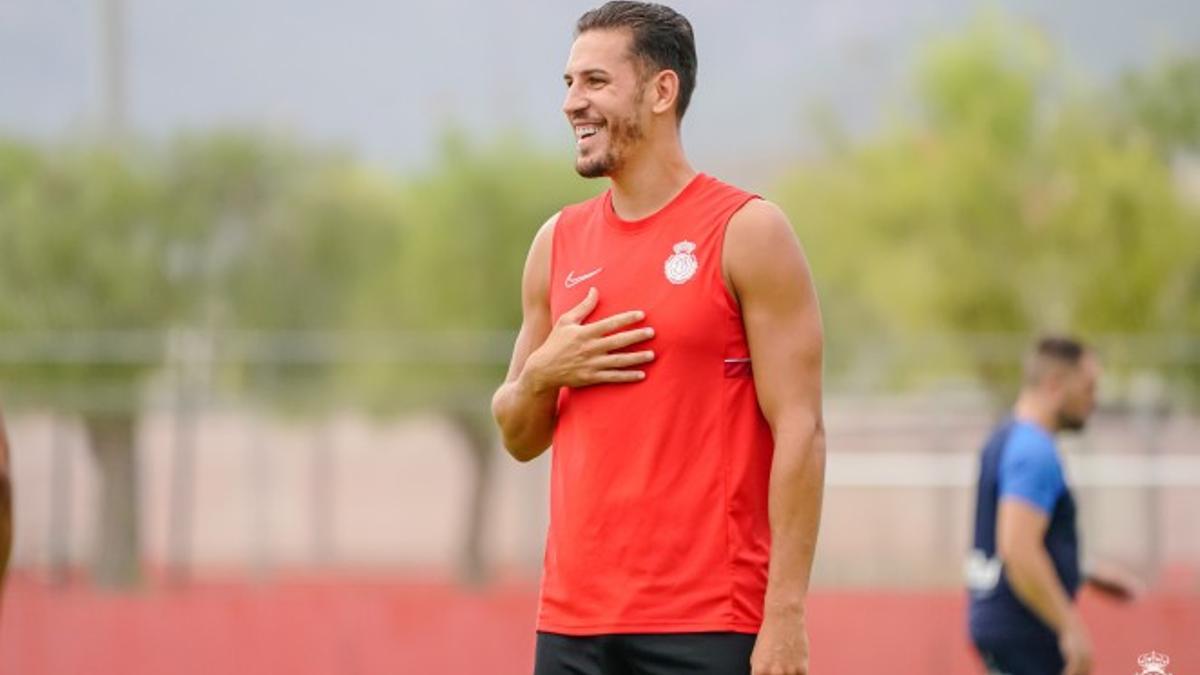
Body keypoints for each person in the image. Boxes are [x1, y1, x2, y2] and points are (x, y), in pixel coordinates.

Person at [491, 3, 825, 674]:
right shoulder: (555, 243)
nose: (571, 104)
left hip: (707, 620)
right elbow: (519, 435)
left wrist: (784, 613)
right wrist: (542, 374)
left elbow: (801, 428)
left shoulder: (748, 231)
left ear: (661, 90)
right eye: (567, 83)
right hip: (571, 624)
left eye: (594, 82)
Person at [967, 337, 1140, 675]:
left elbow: (1016, 538)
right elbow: (1017, 548)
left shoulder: (1006, 437)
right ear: (1054, 385)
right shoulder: (1035, 451)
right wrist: (1070, 626)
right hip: (1024, 631)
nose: (1094, 400)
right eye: (1089, 387)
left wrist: (1079, 569)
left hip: (1002, 626)